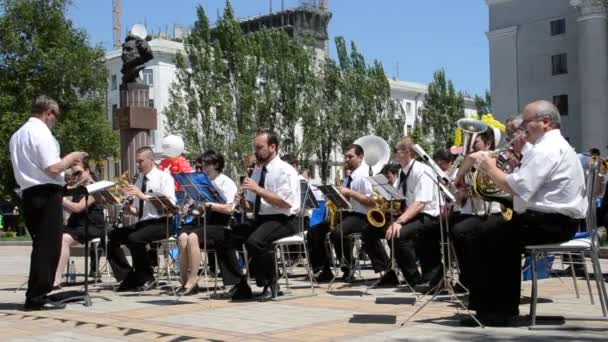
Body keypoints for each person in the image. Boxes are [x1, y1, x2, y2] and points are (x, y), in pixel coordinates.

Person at [463, 100, 587, 326]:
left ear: (546, 122)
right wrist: (522, 151)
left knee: (484, 237)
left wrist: (490, 168)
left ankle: (496, 312)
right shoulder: (548, 146)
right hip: (550, 220)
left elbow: (519, 188)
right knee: (486, 232)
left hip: (551, 223)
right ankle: (494, 309)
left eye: (526, 123)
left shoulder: (547, 148)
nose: (522, 129)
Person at [9, 95, 86, 311]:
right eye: (55, 117)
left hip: (30, 194)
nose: (55, 121)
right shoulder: (40, 132)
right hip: (45, 195)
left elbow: (43, 170)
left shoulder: (18, 134)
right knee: (49, 246)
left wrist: (65, 177)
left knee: (41, 245)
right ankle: (37, 296)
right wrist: (73, 157)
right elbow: (52, 168)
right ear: (48, 113)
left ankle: (37, 294)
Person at [229, 130, 301, 300]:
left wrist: (258, 189)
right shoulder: (257, 171)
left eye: (260, 147)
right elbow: (252, 206)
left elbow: (285, 203)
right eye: (255, 147)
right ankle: (240, 284)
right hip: (262, 218)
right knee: (229, 237)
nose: (256, 151)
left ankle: (271, 284)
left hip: (285, 219)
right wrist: (242, 203)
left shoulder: (285, 170)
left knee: (256, 241)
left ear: (273, 147)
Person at [363, 137, 441, 289]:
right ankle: (391, 273)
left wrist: (399, 222)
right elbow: (401, 199)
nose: (395, 155)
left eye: (397, 151)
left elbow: (420, 203)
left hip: (429, 216)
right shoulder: (402, 173)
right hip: (412, 214)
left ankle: (415, 280)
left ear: (408, 153)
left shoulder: (421, 170)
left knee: (399, 234)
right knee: (371, 231)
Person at [107, 146, 176, 292]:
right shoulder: (139, 180)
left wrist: (143, 196)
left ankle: (147, 277)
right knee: (112, 236)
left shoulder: (164, 178)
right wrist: (126, 206)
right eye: (137, 162)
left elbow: (170, 207)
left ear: (151, 161)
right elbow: (137, 211)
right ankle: (128, 275)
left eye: (140, 161)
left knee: (135, 238)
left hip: (163, 223)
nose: (138, 165)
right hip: (144, 223)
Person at [177, 150, 241, 296]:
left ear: (216, 164)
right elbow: (201, 210)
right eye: (202, 165)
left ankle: (193, 280)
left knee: (192, 236)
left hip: (223, 225)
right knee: (182, 237)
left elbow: (230, 208)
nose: (203, 168)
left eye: (207, 165)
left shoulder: (225, 182)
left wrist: (209, 205)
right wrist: (189, 210)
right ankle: (184, 280)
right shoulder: (205, 183)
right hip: (208, 223)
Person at [450, 129, 503, 291]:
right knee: (452, 228)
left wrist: (459, 176)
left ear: (488, 144)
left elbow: (495, 189)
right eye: (470, 143)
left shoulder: (494, 158)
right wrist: (460, 191)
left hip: (491, 212)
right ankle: (466, 277)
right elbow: (458, 198)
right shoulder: (468, 163)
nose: (472, 147)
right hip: (470, 210)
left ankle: (473, 278)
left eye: (476, 143)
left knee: (460, 231)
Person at [53, 159, 105, 288]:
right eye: (74, 174)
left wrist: (61, 199)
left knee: (64, 239)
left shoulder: (95, 187)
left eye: (79, 173)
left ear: (87, 171)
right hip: (76, 226)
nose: (76, 177)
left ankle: (55, 281)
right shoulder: (79, 188)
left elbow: (78, 208)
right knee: (49, 234)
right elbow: (71, 209)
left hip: (92, 226)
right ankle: (45, 275)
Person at [327, 144, 375, 282]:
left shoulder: (365, 175)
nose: (347, 159)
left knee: (337, 233)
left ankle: (349, 266)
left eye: (350, 156)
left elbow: (371, 201)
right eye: (346, 156)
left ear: (360, 157)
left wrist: (350, 192)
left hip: (362, 216)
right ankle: (323, 269)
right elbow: (347, 199)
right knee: (316, 231)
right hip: (348, 214)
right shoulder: (349, 177)